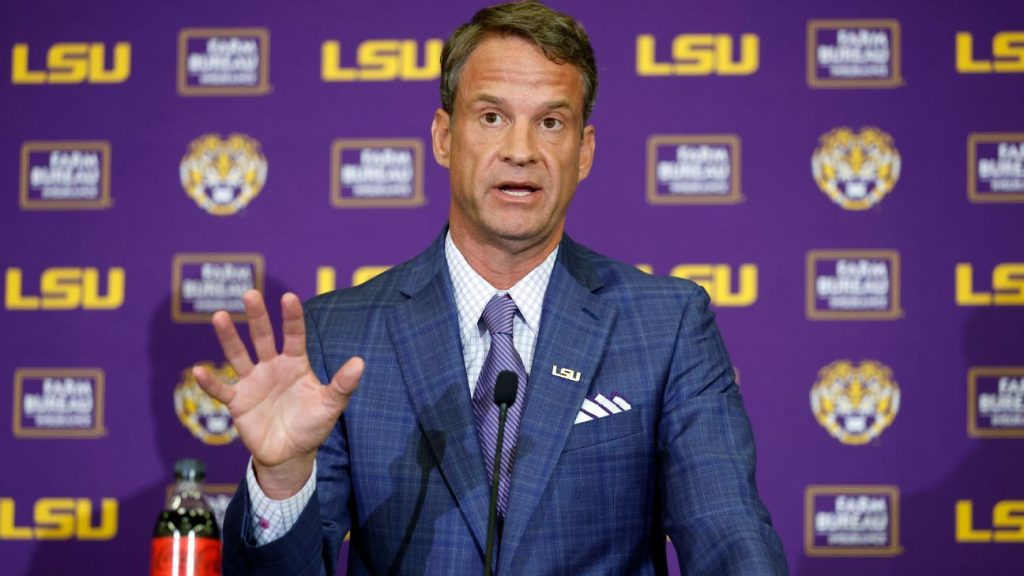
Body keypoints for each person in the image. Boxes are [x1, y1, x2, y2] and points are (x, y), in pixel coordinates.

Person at [195, 1, 789, 574]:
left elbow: (727, 529)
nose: (521, 152)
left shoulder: (667, 325)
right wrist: (282, 479)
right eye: (491, 117)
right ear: (444, 137)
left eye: (551, 122)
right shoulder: (340, 335)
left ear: (584, 151)